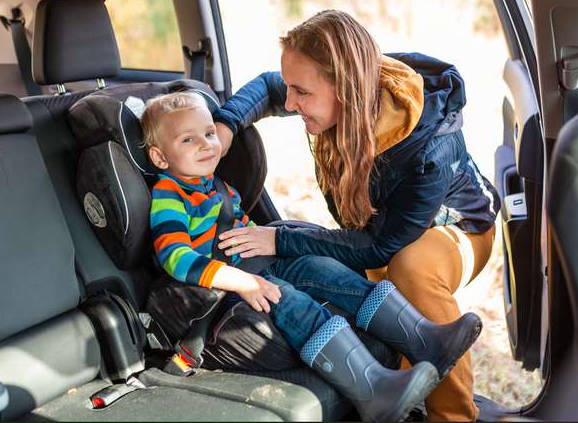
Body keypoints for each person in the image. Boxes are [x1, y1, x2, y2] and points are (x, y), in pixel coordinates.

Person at [212, 9, 501, 421]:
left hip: (460, 227)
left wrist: (277, 239)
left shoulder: (428, 149)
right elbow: (266, 88)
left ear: (344, 87)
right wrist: (225, 126)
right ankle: (394, 391)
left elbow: (379, 246)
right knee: (320, 265)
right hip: (383, 230)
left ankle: (452, 415)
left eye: (302, 93)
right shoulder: (334, 90)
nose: (291, 102)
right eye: (291, 89)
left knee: (409, 268)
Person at [141, 91, 483, 422]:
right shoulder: (170, 194)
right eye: (188, 140)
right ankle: (374, 391)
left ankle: (423, 338)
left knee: (328, 271)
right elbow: (176, 257)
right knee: (294, 303)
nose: (205, 144)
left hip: (256, 264)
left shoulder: (219, 188)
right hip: (225, 286)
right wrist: (243, 281)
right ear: (160, 158)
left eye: (209, 133)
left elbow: (243, 232)